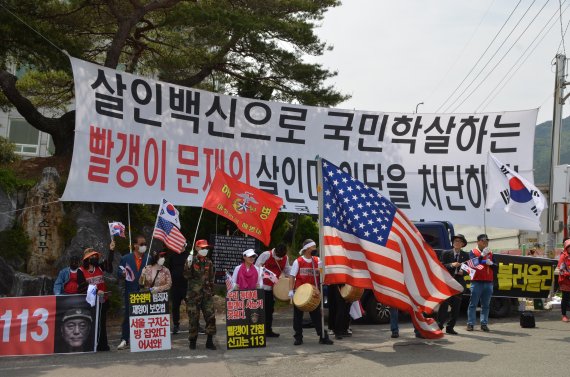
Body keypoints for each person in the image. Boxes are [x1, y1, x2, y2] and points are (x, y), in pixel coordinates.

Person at [288, 239, 333, 346]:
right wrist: (290, 290)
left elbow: (322, 276)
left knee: (317, 316)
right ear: (308, 248)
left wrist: (321, 269)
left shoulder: (317, 260)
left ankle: (323, 336)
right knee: (298, 317)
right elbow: (292, 276)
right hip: (300, 292)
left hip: (313, 292)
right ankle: (298, 337)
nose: (315, 249)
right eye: (313, 247)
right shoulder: (298, 261)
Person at [116, 235, 149, 350]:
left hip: (144, 291)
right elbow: (118, 272)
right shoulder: (126, 258)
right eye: (141, 244)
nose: (144, 246)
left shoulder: (148, 258)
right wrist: (123, 274)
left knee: (144, 315)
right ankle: (125, 339)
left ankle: (144, 338)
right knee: (128, 315)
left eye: (145, 244)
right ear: (135, 245)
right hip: (130, 291)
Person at [80, 244, 114, 352]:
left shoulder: (99, 267)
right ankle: (91, 345)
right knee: (90, 323)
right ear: (86, 259)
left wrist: (111, 250)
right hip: (89, 302)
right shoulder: (81, 271)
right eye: (91, 257)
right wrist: (95, 290)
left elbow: (109, 266)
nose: (94, 258)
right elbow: (82, 287)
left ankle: (102, 346)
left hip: (102, 300)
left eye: (95, 256)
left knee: (102, 323)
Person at [184, 239, 216, 350]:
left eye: (206, 248)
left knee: (210, 317)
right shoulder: (191, 261)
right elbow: (186, 276)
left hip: (207, 294)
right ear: (197, 248)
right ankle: (192, 341)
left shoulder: (209, 262)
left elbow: (211, 278)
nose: (205, 250)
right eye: (202, 248)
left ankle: (209, 341)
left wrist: (212, 292)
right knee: (193, 318)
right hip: (194, 295)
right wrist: (188, 265)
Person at [255, 243, 290, 337]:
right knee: (259, 310)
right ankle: (258, 330)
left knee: (270, 310)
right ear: (275, 252)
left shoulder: (285, 258)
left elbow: (287, 270)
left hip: (273, 289)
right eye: (278, 256)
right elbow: (256, 267)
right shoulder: (266, 254)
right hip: (261, 287)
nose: (280, 258)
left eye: (282, 257)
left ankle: (268, 330)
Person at [437, 234, 469, 334]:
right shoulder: (446, 253)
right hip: (447, 284)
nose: (457, 243)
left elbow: (468, 269)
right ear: (453, 243)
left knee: (456, 308)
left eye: (460, 241)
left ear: (463, 244)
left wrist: (463, 272)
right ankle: (439, 326)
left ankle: (450, 327)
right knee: (444, 307)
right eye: (456, 241)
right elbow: (440, 266)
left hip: (458, 284)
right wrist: (451, 265)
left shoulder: (465, 255)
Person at [467, 234, 495, 332]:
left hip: (488, 282)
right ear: (478, 241)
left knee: (486, 305)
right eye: (483, 240)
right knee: (473, 304)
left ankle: (484, 324)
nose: (485, 242)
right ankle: (470, 324)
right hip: (477, 282)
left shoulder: (490, 252)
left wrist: (491, 264)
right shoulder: (473, 252)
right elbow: (473, 263)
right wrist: (483, 257)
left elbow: (495, 266)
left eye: (487, 240)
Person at [169, 247, 189, 334]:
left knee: (191, 306)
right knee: (175, 307)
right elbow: (170, 269)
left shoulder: (189, 256)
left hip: (186, 285)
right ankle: (176, 325)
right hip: (175, 286)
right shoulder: (172, 256)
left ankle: (195, 324)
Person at [557, 239, 570, 322]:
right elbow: (561, 270)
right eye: (569, 247)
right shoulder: (563, 256)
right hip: (565, 280)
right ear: (566, 248)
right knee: (565, 298)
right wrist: (568, 274)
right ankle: (564, 315)